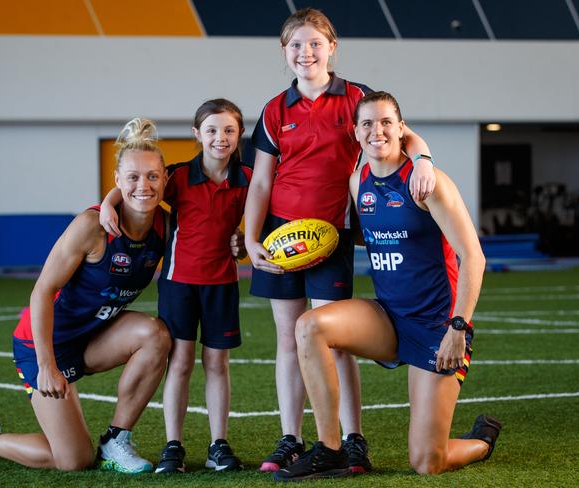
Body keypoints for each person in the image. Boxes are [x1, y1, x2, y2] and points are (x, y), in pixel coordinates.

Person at [244, 8, 436, 473]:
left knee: (336, 341)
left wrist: (424, 159)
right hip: (282, 236)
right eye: (295, 45)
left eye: (314, 43)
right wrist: (251, 238)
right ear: (284, 52)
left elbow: (401, 132)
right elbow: (261, 183)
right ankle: (291, 438)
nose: (305, 52)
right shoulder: (274, 109)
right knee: (289, 340)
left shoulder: (356, 97)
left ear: (332, 47)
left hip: (332, 236)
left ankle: (353, 440)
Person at [273, 91, 501, 481]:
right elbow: (377, 233)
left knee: (427, 462)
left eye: (385, 123)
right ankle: (331, 450)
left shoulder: (429, 182)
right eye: (367, 124)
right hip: (387, 316)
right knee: (309, 325)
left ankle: (482, 440)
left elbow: (473, 258)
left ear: (400, 129)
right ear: (356, 133)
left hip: (436, 327)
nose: (376, 130)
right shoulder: (356, 181)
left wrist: (457, 328)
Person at [0, 118, 173, 473]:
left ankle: (117, 440)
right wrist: (46, 366)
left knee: (155, 334)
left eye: (151, 176)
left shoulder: (165, 224)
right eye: (132, 177)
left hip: (92, 337)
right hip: (43, 343)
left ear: (165, 179)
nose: (143, 185)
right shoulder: (91, 228)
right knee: (73, 461)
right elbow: (42, 291)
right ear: (116, 181)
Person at [99, 99, 251, 473]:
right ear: (197, 134)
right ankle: (174, 446)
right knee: (180, 362)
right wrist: (108, 201)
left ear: (239, 134)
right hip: (179, 284)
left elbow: (256, 222)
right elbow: (139, 186)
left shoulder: (247, 178)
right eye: (212, 130)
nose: (221, 138)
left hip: (222, 284)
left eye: (229, 130)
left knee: (217, 362)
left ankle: (219, 444)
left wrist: (244, 240)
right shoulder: (178, 177)